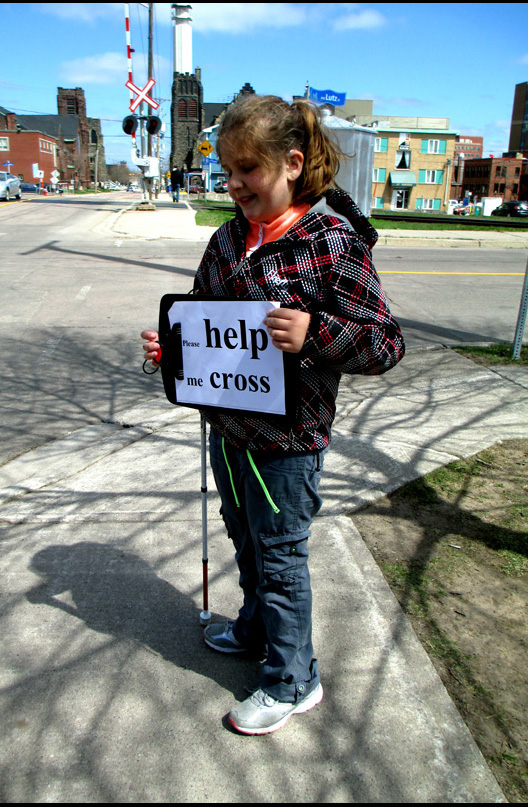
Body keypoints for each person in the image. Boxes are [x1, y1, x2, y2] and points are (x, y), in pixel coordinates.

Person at [141, 95, 405, 735]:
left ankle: (293, 680)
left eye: (246, 170)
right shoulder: (227, 238)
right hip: (227, 431)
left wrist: (315, 333)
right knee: (247, 541)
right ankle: (257, 629)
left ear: (291, 163)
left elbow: (385, 343)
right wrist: (171, 350)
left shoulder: (331, 242)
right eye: (225, 170)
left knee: (282, 560)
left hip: (289, 444)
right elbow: (202, 321)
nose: (232, 185)